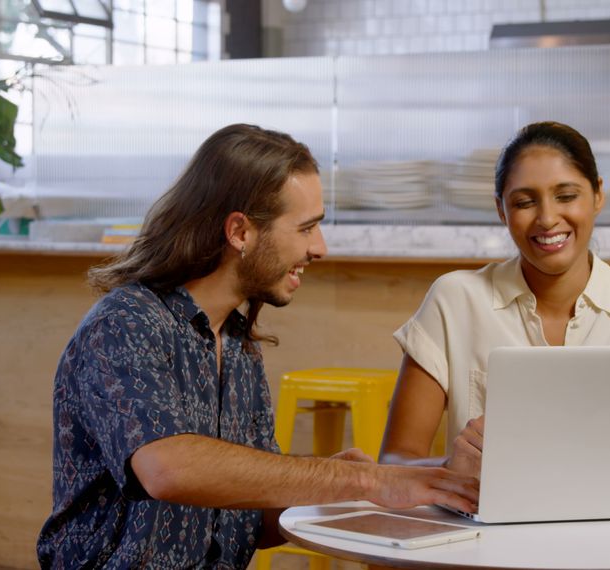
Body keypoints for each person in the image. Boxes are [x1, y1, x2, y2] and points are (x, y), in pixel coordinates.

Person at [36, 124, 478, 569]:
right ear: (240, 232)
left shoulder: (238, 347)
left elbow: (257, 524)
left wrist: (416, 479)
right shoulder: (126, 324)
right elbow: (169, 469)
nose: (319, 248)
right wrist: (356, 478)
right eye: (306, 228)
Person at [379, 121, 610, 478]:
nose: (547, 219)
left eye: (566, 196)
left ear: (597, 196)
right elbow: (395, 462)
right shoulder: (454, 300)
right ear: (501, 210)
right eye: (525, 202)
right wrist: (451, 465)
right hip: (486, 528)